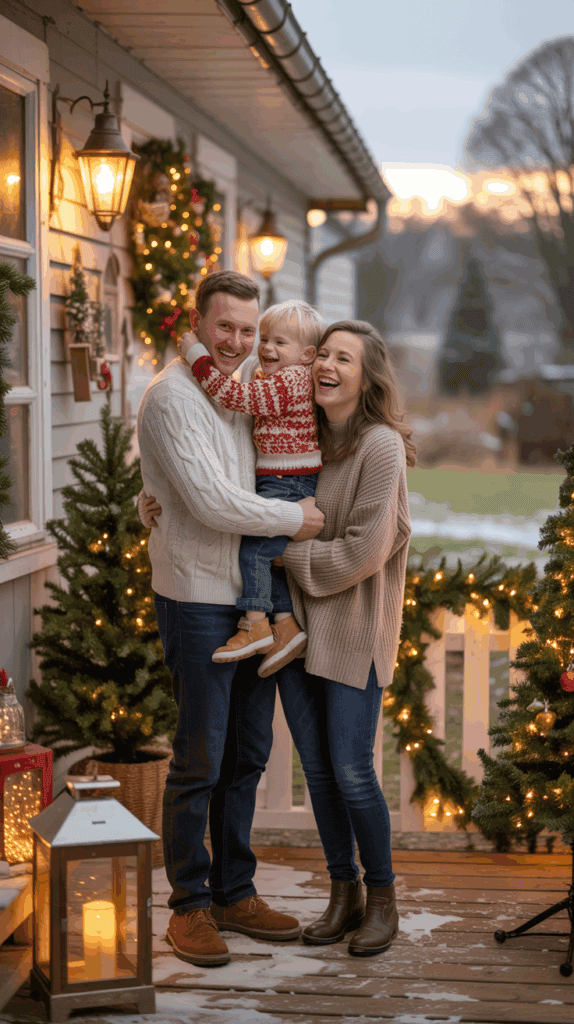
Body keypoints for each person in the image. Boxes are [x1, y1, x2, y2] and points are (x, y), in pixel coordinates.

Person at [136, 270, 324, 968]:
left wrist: (147, 497)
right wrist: (296, 519)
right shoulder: (171, 395)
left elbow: (253, 469)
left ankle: (233, 891)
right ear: (198, 321)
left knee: (247, 752)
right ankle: (187, 907)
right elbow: (214, 501)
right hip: (196, 599)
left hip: (254, 601)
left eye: (249, 330)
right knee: (200, 758)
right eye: (227, 328)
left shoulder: (242, 392)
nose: (240, 341)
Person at [276, 319, 414, 957]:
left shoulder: (379, 447)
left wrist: (292, 556)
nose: (327, 365)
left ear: (367, 377)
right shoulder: (299, 440)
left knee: (355, 771)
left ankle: (383, 899)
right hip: (298, 632)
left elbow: (363, 551)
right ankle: (344, 892)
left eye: (344, 358)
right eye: (322, 354)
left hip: (354, 632)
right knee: (321, 777)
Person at [178, 300, 324, 676]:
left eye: (281, 343)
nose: (267, 348)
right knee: (269, 556)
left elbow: (233, 397)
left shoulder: (292, 380)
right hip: (279, 478)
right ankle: (287, 625)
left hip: (287, 481)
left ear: (306, 355)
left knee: (256, 552)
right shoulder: (273, 374)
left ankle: (256, 623)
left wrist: (197, 355)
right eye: (265, 338)